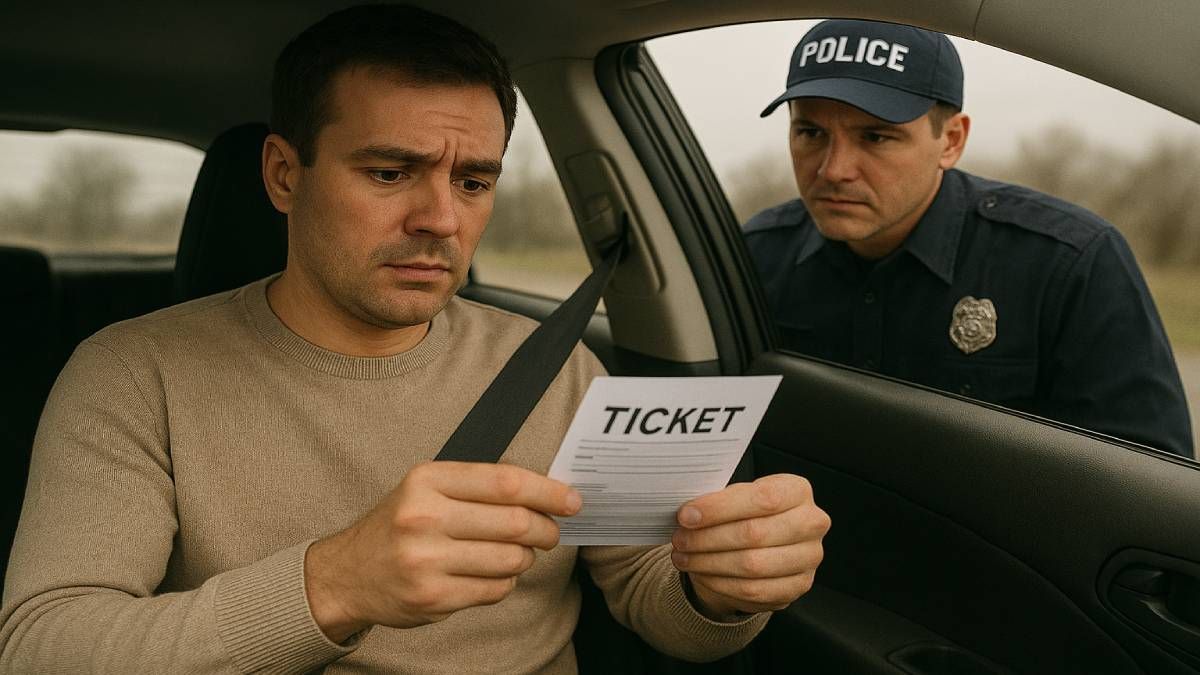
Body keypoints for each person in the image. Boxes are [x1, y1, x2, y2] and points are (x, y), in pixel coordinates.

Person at [0, 5, 830, 673]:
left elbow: (650, 594)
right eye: (390, 172)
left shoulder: (557, 369)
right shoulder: (132, 372)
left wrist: (723, 587)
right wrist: (333, 584)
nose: (440, 218)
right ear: (284, 175)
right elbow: (44, 646)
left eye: (473, 181)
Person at [745, 19, 1193, 458]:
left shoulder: (1068, 264)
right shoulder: (752, 258)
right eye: (810, 133)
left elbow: (1146, 479)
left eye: (876, 136)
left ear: (951, 141)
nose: (833, 169)